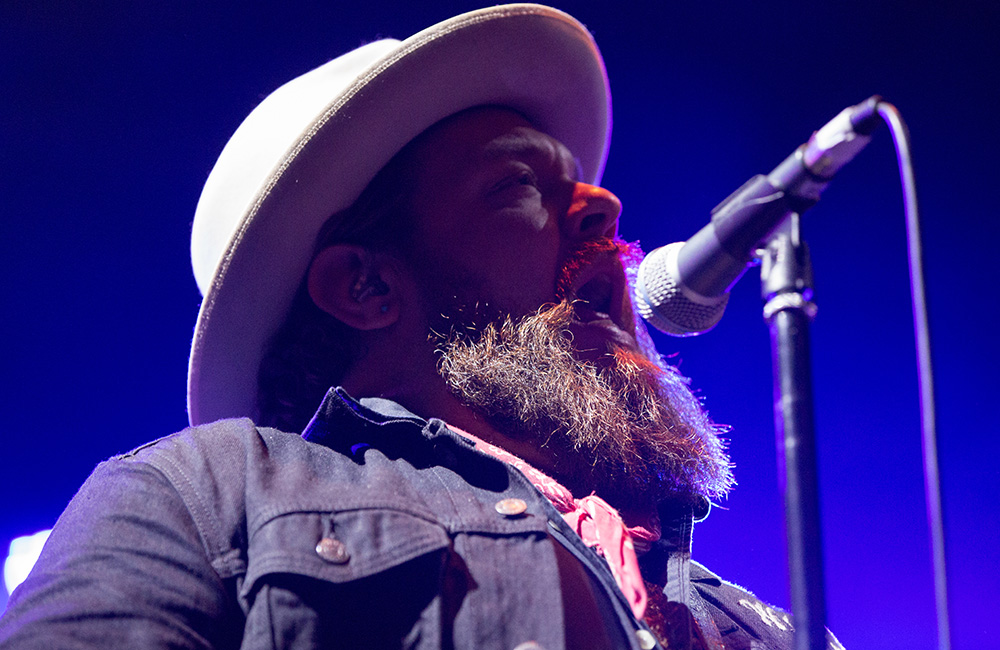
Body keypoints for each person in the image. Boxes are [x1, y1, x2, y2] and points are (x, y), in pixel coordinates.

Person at [0, 5, 843, 649]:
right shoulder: (208, 495)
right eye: (520, 185)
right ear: (364, 286)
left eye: (580, 183)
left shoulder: (762, 619)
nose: (604, 207)